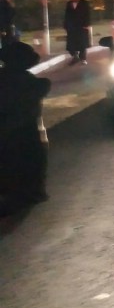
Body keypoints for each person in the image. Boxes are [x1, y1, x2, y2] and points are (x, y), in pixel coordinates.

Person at [0, 41, 50, 217]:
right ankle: (28, 192)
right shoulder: (28, 82)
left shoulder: (16, 79)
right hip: (23, 130)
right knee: (30, 159)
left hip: (15, 129)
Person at [63, 0, 91, 65]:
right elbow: (67, 15)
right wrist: (65, 25)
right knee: (71, 44)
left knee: (82, 43)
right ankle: (75, 57)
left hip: (82, 26)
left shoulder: (84, 3)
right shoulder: (69, 3)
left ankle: (83, 59)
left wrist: (87, 24)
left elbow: (87, 14)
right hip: (71, 27)